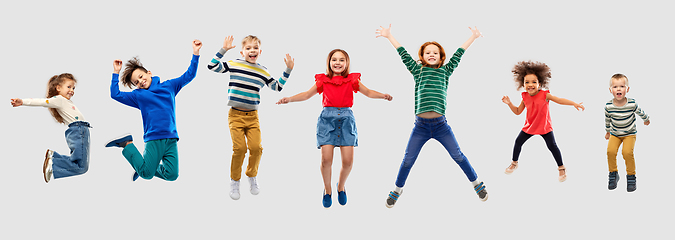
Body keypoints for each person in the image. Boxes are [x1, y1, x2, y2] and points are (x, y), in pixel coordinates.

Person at [376, 24, 488, 208]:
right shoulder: (417, 70)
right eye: (428, 52)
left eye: (435, 52)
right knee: (407, 160)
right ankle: (397, 189)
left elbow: (459, 53)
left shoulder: (446, 71)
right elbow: (402, 53)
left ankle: (476, 183)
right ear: (422, 57)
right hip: (420, 127)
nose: (431, 54)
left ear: (441, 57)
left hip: (441, 126)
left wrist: (473, 37)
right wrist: (389, 36)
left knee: (458, 156)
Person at [277, 49, 393, 208]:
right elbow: (306, 94)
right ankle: (327, 190)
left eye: (341, 60)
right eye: (334, 60)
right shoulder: (323, 80)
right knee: (326, 160)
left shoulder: (352, 80)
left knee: (348, 162)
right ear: (329, 63)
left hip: (346, 119)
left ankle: (341, 186)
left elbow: (368, 92)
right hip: (327, 120)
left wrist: (383, 95)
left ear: (346, 63)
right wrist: (288, 99)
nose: (337, 63)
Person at [207, 35, 294, 200]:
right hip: (235, 115)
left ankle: (251, 176)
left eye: (255, 48)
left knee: (256, 148)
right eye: (248, 48)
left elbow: (278, 87)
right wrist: (223, 49)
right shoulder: (235, 64)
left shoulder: (262, 71)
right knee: (239, 149)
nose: (252, 51)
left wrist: (288, 69)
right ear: (242, 52)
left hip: (253, 117)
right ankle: (234, 180)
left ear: (260, 52)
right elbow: (212, 66)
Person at [105, 40, 202, 182]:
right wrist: (115, 73)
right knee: (146, 174)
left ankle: (143, 165)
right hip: (154, 139)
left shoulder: (169, 86)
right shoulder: (139, 96)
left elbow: (189, 75)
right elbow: (115, 94)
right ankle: (127, 144)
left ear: (149, 73)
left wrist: (196, 53)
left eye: (141, 77)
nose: (140, 82)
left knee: (172, 175)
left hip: (171, 138)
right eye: (136, 83)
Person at [501, 60, 585, 182]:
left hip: (544, 127)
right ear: (523, 84)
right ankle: (514, 163)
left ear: (539, 84)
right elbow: (518, 111)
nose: (530, 84)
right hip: (529, 127)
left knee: (552, 146)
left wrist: (574, 103)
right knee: (518, 142)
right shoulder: (524, 97)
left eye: (534, 82)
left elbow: (560, 100)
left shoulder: (545, 95)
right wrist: (509, 104)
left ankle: (561, 167)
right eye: (527, 82)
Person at [10, 73, 91, 183]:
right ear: (58, 88)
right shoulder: (59, 99)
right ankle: (53, 164)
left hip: (81, 131)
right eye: (69, 87)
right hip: (78, 130)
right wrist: (22, 101)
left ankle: (53, 157)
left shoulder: (66, 101)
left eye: (73, 88)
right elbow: (41, 101)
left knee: (81, 165)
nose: (72, 90)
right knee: (81, 167)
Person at [604, 73, 650, 192]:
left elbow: (640, 112)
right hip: (615, 134)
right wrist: (608, 132)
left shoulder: (632, 104)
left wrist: (646, 119)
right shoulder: (608, 106)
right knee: (610, 151)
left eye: (622, 86)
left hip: (629, 133)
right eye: (615, 87)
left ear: (627, 89)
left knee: (627, 152)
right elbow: (607, 120)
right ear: (610, 90)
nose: (618, 89)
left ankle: (631, 176)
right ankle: (613, 174)